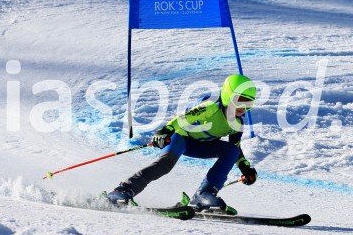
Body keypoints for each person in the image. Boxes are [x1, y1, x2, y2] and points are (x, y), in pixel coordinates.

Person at [106, 74, 258, 213]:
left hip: (199, 146)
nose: (243, 108)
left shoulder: (237, 124)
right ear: (227, 95)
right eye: (240, 100)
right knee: (165, 164)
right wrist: (166, 130)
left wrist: (245, 168)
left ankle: (204, 195)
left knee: (231, 151)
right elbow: (182, 119)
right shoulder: (210, 107)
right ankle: (123, 190)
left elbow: (236, 147)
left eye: (248, 103)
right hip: (181, 137)